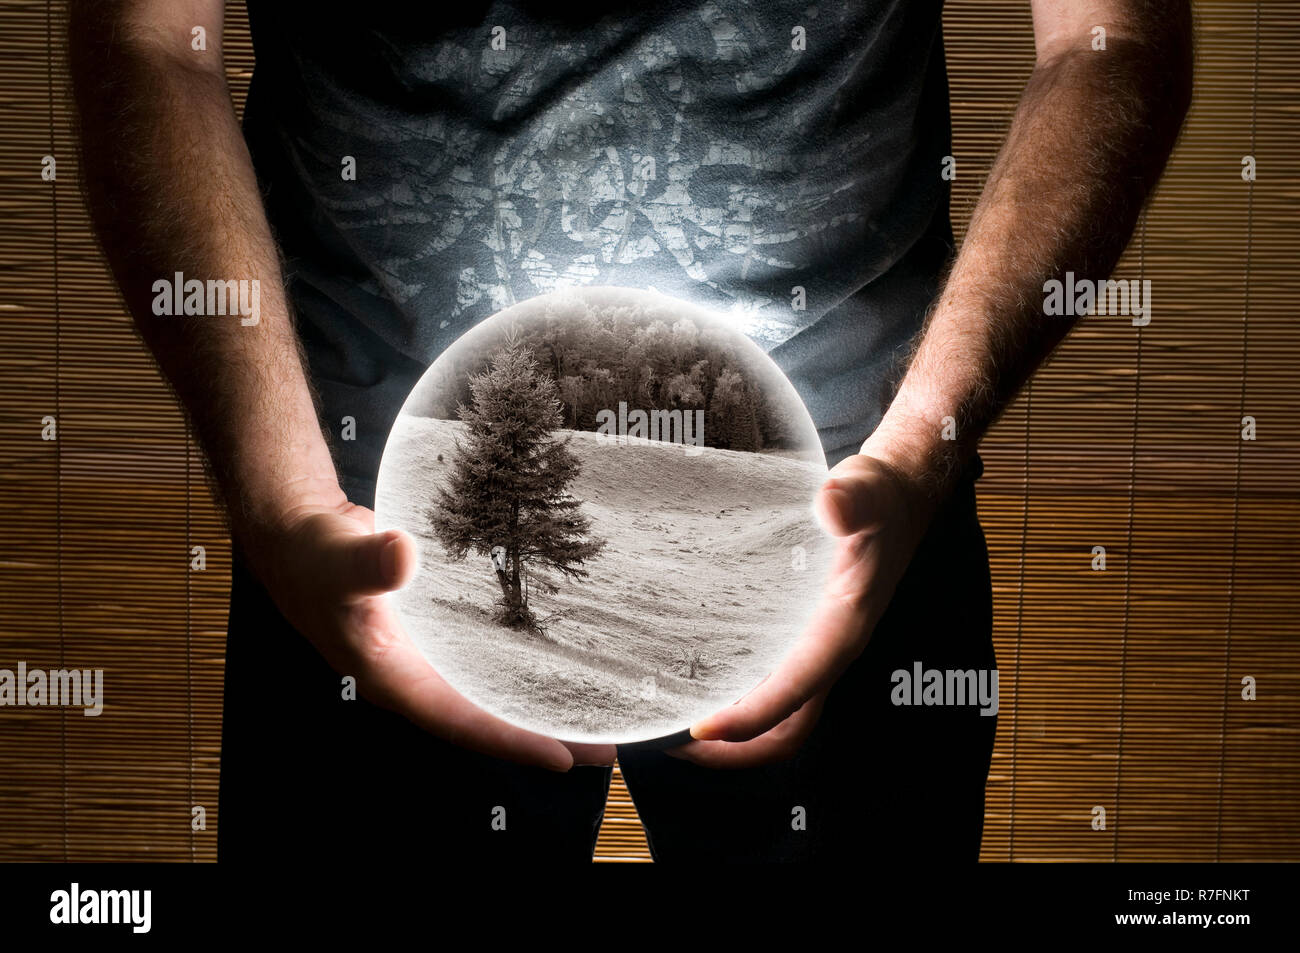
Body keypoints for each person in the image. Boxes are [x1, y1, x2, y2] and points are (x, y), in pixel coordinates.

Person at [68, 0, 1192, 863]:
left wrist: (913, 454)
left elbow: (1107, 35)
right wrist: (279, 501)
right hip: (364, 546)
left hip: (851, 527)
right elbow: (153, 34)